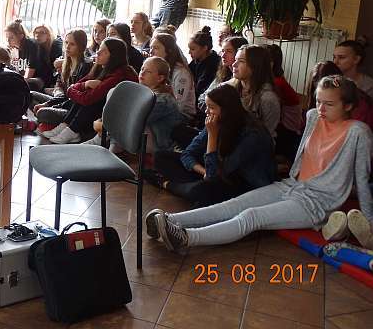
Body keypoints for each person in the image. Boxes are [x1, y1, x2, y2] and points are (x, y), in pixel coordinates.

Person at [147, 76, 373, 252]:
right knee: (233, 205)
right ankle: (169, 220)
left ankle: (186, 238)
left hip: (317, 201)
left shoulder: (358, 132)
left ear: (348, 106)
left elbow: (362, 180)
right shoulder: (314, 116)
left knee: (251, 216)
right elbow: (302, 158)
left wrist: (370, 223)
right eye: (318, 101)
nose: (321, 108)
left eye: (329, 104)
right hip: (291, 185)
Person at [150, 84, 276, 207]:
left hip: (244, 184)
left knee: (200, 190)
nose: (206, 111)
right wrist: (203, 171)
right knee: (161, 157)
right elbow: (187, 154)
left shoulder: (252, 135)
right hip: (216, 172)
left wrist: (212, 136)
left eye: (211, 107)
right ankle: (194, 188)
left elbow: (215, 175)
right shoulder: (218, 120)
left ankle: (167, 184)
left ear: (226, 110)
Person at [42, 38, 138, 144]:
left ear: (114, 56)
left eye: (104, 51)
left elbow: (86, 99)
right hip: (75, 107)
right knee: (85, 95)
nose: (98, 52)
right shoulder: (101, 68)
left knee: (90, 99)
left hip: (114, 117)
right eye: (99, 49)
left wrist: (72, 89)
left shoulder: (119, 74)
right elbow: (80, 85)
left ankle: (72, 130)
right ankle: (66, 127)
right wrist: (85, 85)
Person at [86, 56, 184, 152]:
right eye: (142, 69)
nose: (142, 73)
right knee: (114, 92)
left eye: (148, 71)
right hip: (138, 136)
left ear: (160, 78)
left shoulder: (164, 100)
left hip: (158, 145)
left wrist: (102, 125)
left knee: (124, 121)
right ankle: (104, 141)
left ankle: (109, 145)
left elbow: (133, 121)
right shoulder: (145, 92)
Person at [33, 29, 92, 129]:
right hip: (62, 101)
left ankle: (47, 124)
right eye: (66, 42)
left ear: (81, 46)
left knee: (43, 113)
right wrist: (48, 103)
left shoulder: (85, 66)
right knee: (30, 95)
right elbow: (63, 93)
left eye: (72, 44)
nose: (67, 47)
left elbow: (74, 100)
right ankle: (47, 124)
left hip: (71, 109)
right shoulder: (66, 63)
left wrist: (49, 105)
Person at [229, 44, 280, 138]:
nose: (233, 65)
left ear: (255, 66)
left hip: (255, 142)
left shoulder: (268, 98)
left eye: (241, 61)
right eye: (235, 60)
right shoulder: (231, 86)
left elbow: (264, 135)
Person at [306, 61, 373, 129]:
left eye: (329, 104)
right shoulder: (313, 114)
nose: (320, 109)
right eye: (318, 101)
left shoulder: (360, 105)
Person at [264, 43, 302, 162]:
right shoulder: (275, 78)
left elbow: (275, 111)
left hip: (288, 126)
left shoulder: (277, 83)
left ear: (270, 63)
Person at [150, 33, 196, 119]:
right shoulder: (155, 68)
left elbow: (179, 105)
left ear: (169, 50)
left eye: (156, 48)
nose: (151, 52)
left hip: (183, 115)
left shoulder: (181, 73)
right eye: (151, 47)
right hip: (162, 106)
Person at [197, 36, 249, 111]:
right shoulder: (223, 74)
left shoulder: (243, 79)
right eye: (223, 51)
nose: (223, 55)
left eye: (229, 51)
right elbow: (203, 98)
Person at [4, 20, 42, 90]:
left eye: (11, 37)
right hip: (21, 79)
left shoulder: (31, 45)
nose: (8, 40)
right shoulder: (11, 48)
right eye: (7, 37)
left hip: (36, 80)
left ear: (21, 36)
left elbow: (30, 71)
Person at [187, 26, 221, 98]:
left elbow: (200, 89)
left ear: (205, 48)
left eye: (192, 49)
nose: (189, 52)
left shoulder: (213, 65)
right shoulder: (197, 59)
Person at [31, 24, 63, 90]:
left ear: (48, 35)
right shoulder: (36, 46)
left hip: (53, 82)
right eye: (36, 32)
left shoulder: (56, 45)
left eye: (42, 32)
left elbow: (55, 67)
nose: (38, 35)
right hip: (41, 79)